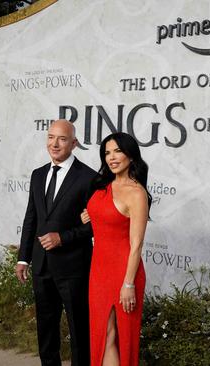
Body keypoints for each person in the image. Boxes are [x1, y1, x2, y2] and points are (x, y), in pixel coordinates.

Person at [16, 119, 97, 366]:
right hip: (41, 266)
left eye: (62, 139)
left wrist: (62, 237)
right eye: (51, 137)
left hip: (74, 267)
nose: (55, 143)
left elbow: (95, 225)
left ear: (74, 143)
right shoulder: (38, 175)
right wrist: (23, 257)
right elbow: (32, 218)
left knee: (79, 330)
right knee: (46, 329)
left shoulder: (89, 177)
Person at [80, 132, 152, 366]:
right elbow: (104, 215)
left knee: (117, 335)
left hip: (124, 272)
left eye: (117, 151)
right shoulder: (104, 184)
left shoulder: (137, 193)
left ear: (131, 156)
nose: (111, 157)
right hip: (99, 271)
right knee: (102, 334)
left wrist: (128, 284)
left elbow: (137, 244)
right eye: (107, 153)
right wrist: (90, 216)